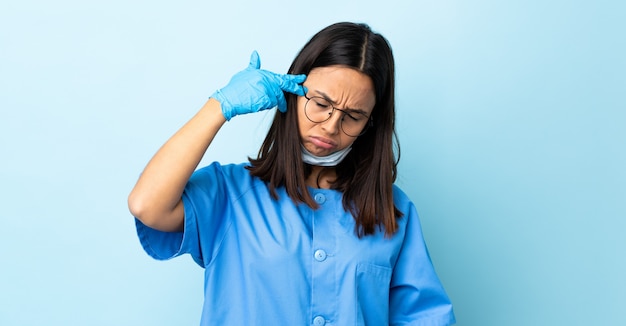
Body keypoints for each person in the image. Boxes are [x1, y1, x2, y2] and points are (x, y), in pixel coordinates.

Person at [128, 22, 456, 325]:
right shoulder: (230, 193)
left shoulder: (394, 212)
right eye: (320, 103)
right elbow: (147, 206)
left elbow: (425, 318)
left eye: (353, 116)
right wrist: (219, 106)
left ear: (370, 125)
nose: (330, 126)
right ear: (293, 92)